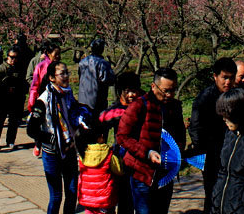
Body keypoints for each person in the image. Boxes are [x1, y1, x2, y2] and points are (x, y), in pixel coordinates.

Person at [117, 67, 186, 214]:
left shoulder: (175, 106)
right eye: (165, 90)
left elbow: (180, 135)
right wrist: (147, 153)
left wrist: (177, 154)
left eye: (173, 90)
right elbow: (122, 137)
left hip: (166, 173)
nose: (169, 95)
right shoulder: (139, 105)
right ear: (153, 86)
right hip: (142, 173)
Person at [27, 61, 90, 214]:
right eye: (62, 74)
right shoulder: (44, 100)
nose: (66, 76)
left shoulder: (67, 94)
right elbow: (31, 129)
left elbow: (73, 113)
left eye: (67, 72)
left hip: (69, 150)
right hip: (52, 154)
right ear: (51, 78)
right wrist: (48, 138)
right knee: (56, 196)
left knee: (72, 193)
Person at [189, 57, 237, 214]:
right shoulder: (206, 98)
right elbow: (195, 127)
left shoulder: (236, 95)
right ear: (215, 76)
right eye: (224, 77)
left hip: (232, 152)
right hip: (211, 154)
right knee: (213, 194)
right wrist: (203, 151)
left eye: (231, 77)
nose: (228, 82)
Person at [98, 72, 142, 214]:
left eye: (134, 90)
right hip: (122, 159)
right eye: (127, 91)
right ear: (120, 92)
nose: (131, 95)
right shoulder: (115, 112)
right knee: (125, 198)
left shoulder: (144, 107)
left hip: (142, 157)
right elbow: (99, 127)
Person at [77, 121, 127, 214]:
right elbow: (119, 171)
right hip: (105, 200)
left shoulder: (83, 153)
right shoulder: (108, 154)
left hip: (87, 199)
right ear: (101, 137)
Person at [0, 46, 27, 149]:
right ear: (7, 57)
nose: (13, 60)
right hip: (2, 98)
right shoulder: (1, 68)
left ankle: (10, 140)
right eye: (11, 57)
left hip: (15, 98)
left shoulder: (19, 69)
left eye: (15, 57)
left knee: (13, 121)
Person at [79, 38, 116, 116]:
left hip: (83, 97)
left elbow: (80, 76)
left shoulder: (82, 62)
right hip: (97, 99)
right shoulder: (102, 63)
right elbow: (107, 80)